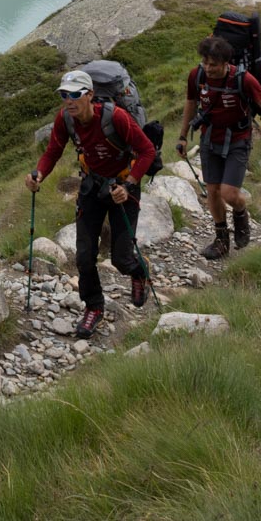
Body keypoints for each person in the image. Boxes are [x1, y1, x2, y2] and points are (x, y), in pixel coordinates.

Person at [24, 68, 156, 336]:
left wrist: (129, 184)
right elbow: (53, 151)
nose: (69, 100)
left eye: (75, 94)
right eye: (64, 95)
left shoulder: (115, 117)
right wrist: (39, 174)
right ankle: (94, 307)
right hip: (91, 187)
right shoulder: (65, 119)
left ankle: (139, 272)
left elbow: (147, 151)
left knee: (121, 259)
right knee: (84, 256)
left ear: (90, 95)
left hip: (121, 187)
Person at [178, 36, 261, 259]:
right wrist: (182, 136)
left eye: (213, 65)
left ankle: (240, 212)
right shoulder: (196, 76)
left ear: (226, 63)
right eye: (205, 62)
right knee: (212, 191)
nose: (208, 68)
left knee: (229, 193)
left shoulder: (243, 79)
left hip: (238, 139)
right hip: (209, 139)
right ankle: (221, 240)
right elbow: (190, 103)